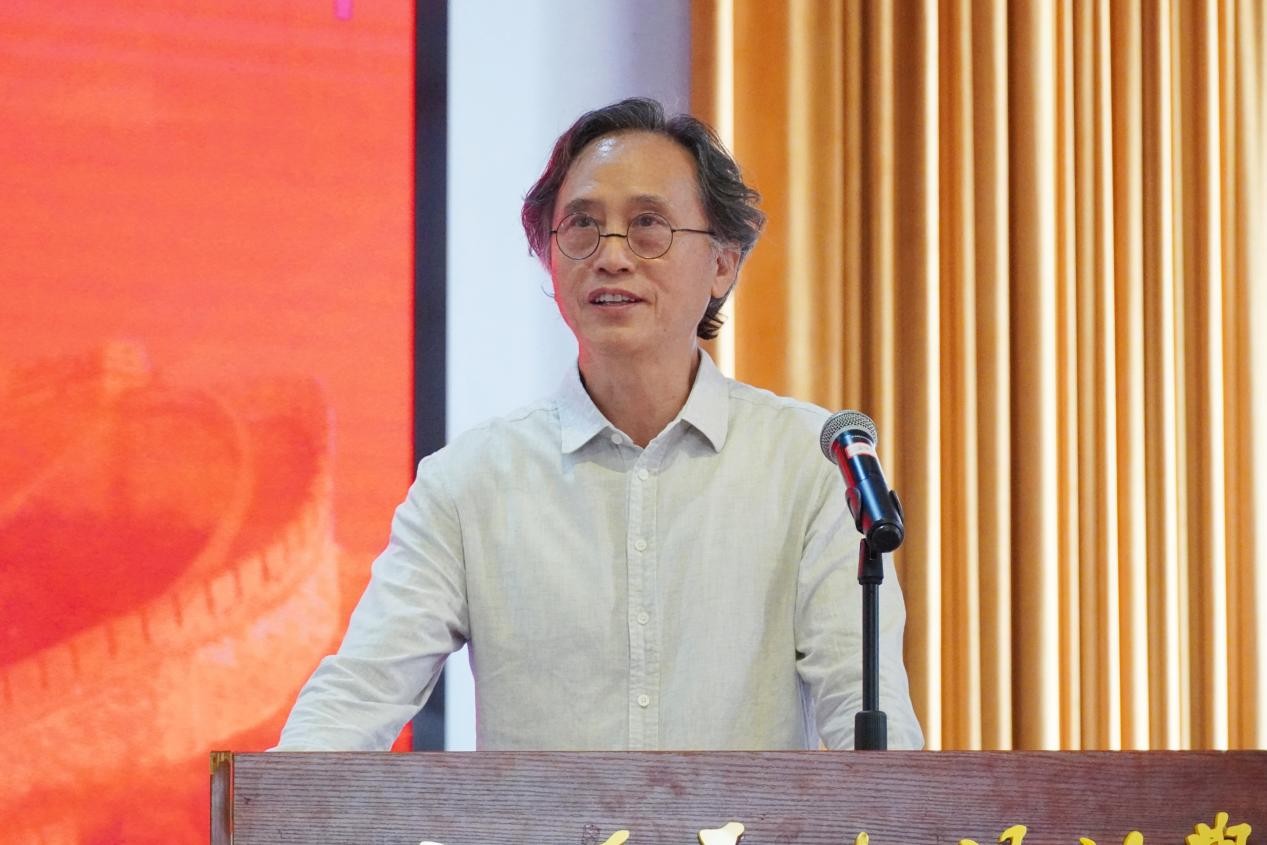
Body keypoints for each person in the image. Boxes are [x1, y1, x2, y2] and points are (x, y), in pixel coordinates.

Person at [275, 97, 923, 751]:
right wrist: (261, 796)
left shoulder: (808, 464)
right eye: (582, 226)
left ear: (723, 263)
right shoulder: (467, 483)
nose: (611, 256)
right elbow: (358, 698)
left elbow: (867, 713)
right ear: (549, 258)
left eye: (648, 226)